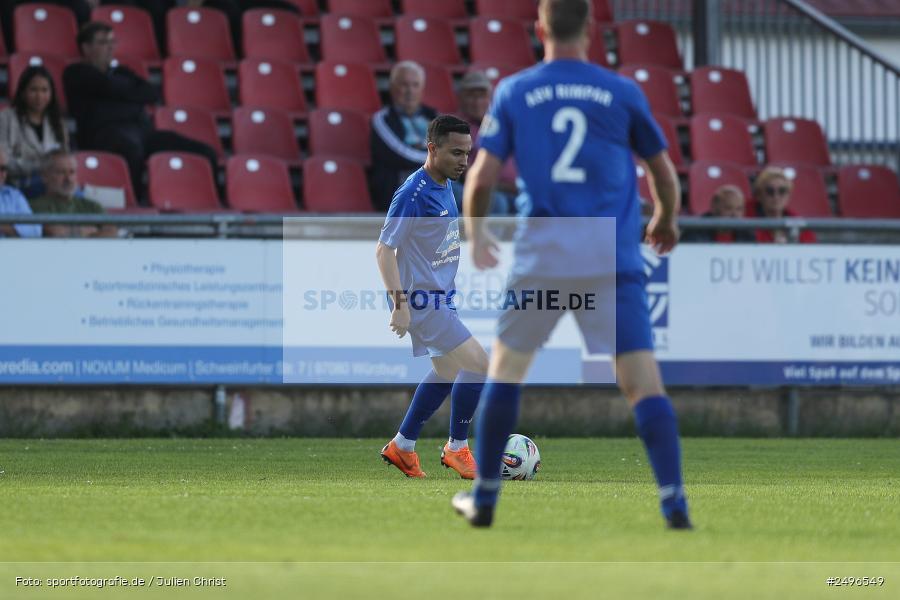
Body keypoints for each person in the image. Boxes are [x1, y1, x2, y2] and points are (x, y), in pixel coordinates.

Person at [455, 0, 692, 529]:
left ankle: (485, 499)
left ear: (539, 28)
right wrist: (667, 220)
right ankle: (674, 501)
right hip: (609, 253)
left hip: (545, 254)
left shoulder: (516, 90)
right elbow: (663, 172)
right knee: (642, 384)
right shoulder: (622, 91)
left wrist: (477, 234)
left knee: (507, 374)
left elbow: (482, 176)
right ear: (589, 28)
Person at [376, 115, 489, 480]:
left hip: (441, 298)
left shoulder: (444, 186)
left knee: (447, 370)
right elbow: (384, 250)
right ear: (432, 148)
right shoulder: (413, 193)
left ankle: (403, 446)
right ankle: (457, 448)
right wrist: (399, 305)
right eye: (456, 152)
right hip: (422, 302)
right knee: (479, 364)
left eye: (467, 153)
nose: (463, 161)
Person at [63, 22, 218, 201]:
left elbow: (150, 93)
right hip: (104, 134)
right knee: (131, 149)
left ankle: (210, 200)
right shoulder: (76, 72)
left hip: (142, 132)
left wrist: (117, 95)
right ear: (86, 47)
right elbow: (107, 86)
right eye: (104, 42)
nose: (110, 47)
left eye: (113, 42)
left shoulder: (121, 72)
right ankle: (134, 203)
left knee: (205, 152)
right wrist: (130, 96)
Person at [370, 61, 438, 212]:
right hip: (402, 187)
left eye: (415, 85)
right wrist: (437, 159)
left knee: (494, 200)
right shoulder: (382, 119)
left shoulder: (434, 116)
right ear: (392, 88)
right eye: (404, 85)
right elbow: (399, 153)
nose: (410, 91)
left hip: (438, 182)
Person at [453, 70, 519, 215]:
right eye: (471, 96)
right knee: (497, 203)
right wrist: (506, 187)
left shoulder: (502, 124)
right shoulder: (455, 127)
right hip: (485, 190)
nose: (477, 102)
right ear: (461, 97)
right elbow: (465, 173)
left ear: (490, 98)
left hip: (515, 191)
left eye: (482, 96)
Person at [0, 65, 69, 197]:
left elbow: (65, 158)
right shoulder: (6, 118)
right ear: (23, 92)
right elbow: (4, 161)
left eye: (44, 90)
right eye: (34, 90)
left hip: (54, 182)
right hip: (18, 184)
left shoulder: (58, 122)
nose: (39, 96)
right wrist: (41, 166)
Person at [29, 150, 117, 238]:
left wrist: (72, 232)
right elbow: (55, 232)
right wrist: (88, 231)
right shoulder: (34, 206)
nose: (68, 179)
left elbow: (112, 232)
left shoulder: (92, 206)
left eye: (72, 172)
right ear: (45, 176)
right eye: (61, 172)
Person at [749, 166, 817, 244]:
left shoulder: (798, 222)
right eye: (769, 191)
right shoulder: (747, 220)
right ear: (759, 195)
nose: (776, 196)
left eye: (782, 191)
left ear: (788, 195)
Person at [681, 184, 755, 243]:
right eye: (728, 208)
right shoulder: (694, 232)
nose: (734, 215)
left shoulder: (747, 235)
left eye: (739, 209)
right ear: (714, 208)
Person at [0, 146, 41, 238]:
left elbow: (35, 231)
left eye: (4, 168)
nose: (2, 174)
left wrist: (5, 228)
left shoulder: (13, 196)